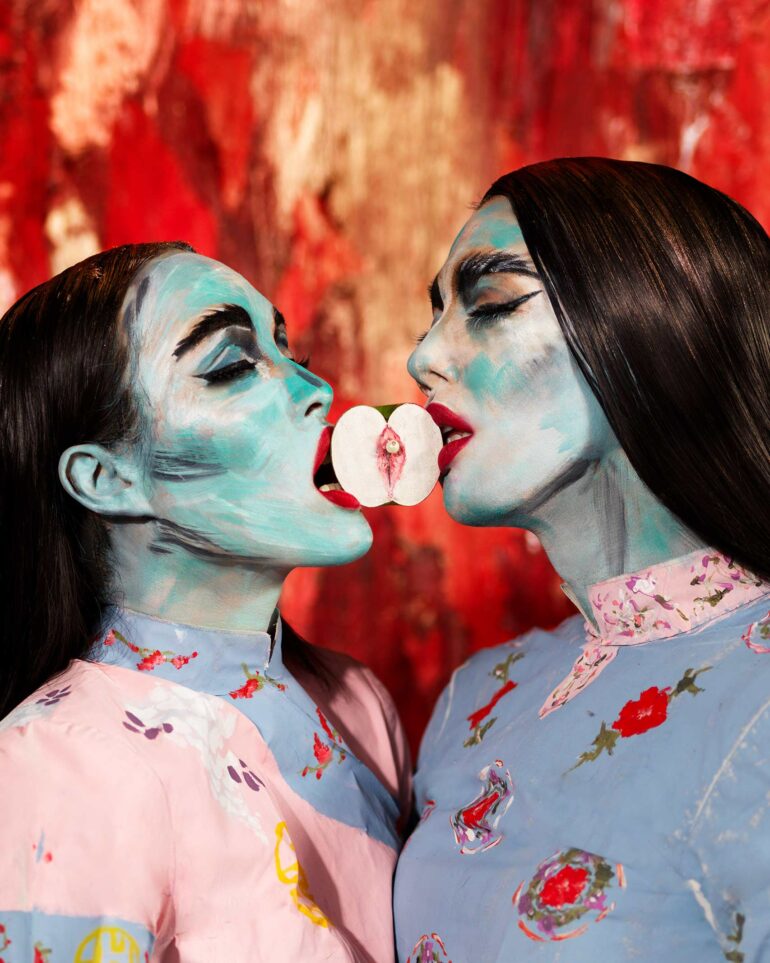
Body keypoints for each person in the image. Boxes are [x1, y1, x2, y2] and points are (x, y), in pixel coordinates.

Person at [394, 158, 770, 962]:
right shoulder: (475, 700)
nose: (423, 356)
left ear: (654, 325)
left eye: (491, 303)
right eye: (435, 314)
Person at [0, 243, 410, 962]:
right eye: (231, 365)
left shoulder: (359, 705)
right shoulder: (57, 765)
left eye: (285, 347)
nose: (315, 387)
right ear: (107, 477)